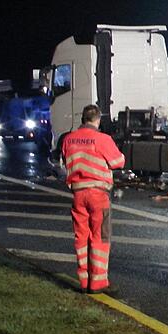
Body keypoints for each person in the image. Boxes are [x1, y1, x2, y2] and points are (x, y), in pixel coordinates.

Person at [62, 104, 126, 293]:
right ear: (97, 119)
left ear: (83, 118)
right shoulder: (102, 139)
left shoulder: (68, 139)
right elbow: (118, 162)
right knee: (100, 236)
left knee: (81, 237)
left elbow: (65, 160)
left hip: (78, 194)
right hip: (98, 194)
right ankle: (98, 282)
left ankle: (83, 280)